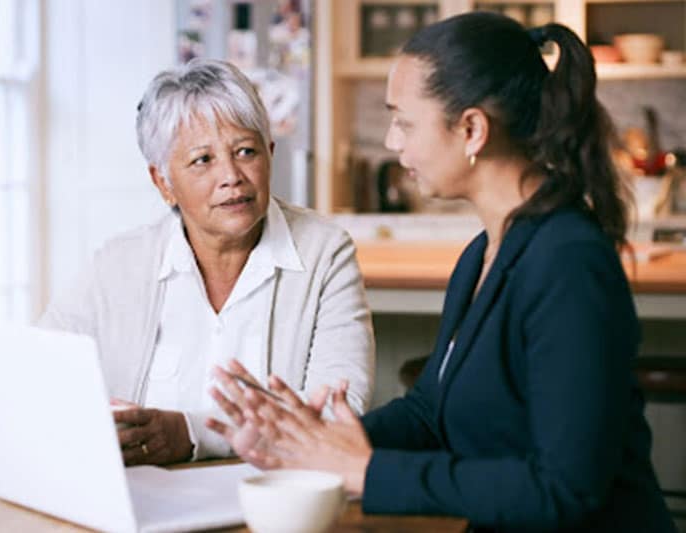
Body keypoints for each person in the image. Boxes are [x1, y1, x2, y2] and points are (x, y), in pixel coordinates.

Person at [208, 13, 676, 532]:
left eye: (405, 122)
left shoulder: (567, 261)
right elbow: (432, 409)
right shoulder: (484, 252)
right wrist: (315, 439)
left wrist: (366, 471)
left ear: (472, 129)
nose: (391, 140)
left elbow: (564, 488)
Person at [39, 58, 375, 465]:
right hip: (142, 502)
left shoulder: (325, 252)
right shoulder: (119, 264)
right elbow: (42, 370)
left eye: (245, 151)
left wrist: (191, 433)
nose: (231, 175)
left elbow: (341, 405)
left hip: (276, 498)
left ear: (269, 155)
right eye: (203, 160)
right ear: (163, 182)